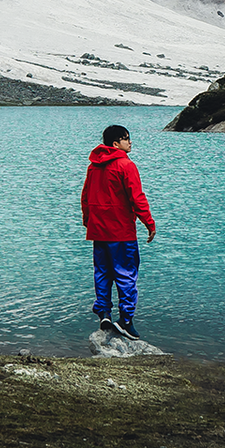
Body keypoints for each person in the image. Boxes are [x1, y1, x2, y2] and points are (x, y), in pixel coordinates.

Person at [81, 123, 156, 338]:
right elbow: (137, 198)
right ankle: (126, 320)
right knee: (126, 275)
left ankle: (104, 313)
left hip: (99, 231)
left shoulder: (93, 166)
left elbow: (86, 196)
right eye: (126, 138)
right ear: (116, 144)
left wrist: (88, 220)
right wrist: (149, 223)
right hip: (121, 231)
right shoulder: (126, 165)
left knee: (102, 273)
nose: (130, 142)